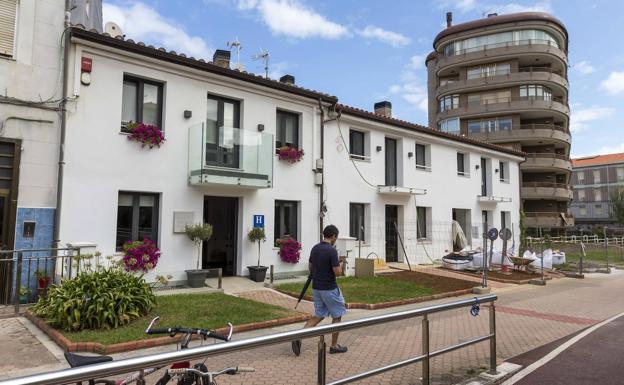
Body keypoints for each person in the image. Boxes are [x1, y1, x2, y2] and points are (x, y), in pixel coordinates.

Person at [291, 224, 347, 356]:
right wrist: (341, 263)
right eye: (336, 237)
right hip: (329, 288)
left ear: (324, 235)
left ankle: (299, 336)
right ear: (333, 236)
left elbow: (311, 266)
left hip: (316, 287)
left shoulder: (315, 248)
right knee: (337, 315)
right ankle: (334, 346)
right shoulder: (332, 251)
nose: (335, 240)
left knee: (319, 315)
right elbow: (337, 272)